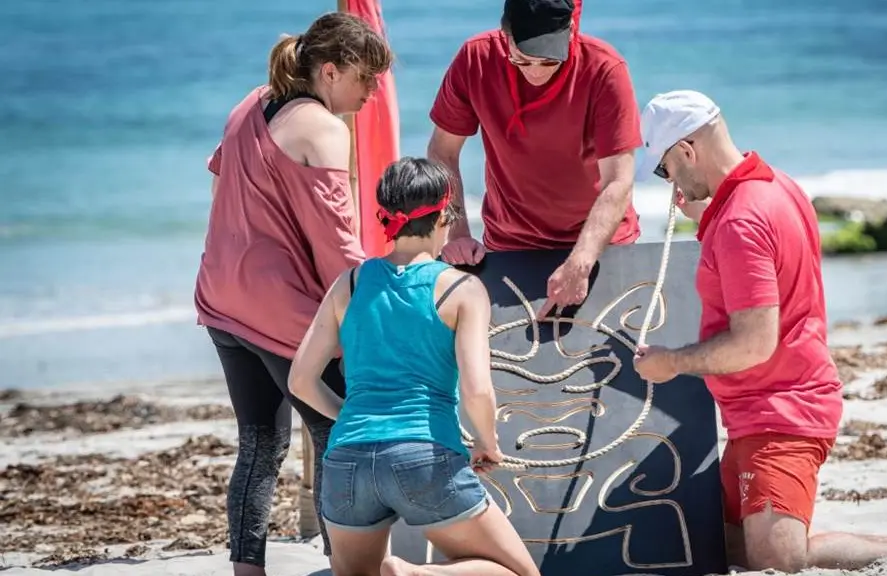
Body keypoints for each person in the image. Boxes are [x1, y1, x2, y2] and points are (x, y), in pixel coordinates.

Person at [630, 90, 887, 572]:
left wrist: (673, 362)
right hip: (760, 409)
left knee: (776, 560)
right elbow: (758, 259)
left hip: (783, 411)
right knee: (700, 544)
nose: (668, 182)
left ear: (686, 151)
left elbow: (753, 343)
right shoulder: (773, 186)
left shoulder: (739, 220)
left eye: (665, 169)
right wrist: (704, 216)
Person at [193, 12, 393, 575]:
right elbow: (338, 248)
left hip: (222, 300)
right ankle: (346, 566)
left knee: (259, 443)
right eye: (366, 79)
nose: (373, 92)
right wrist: (384, 312)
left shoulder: (251, 102)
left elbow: (217, 184)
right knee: (337, 435)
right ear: (331, 71)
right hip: (284, 319)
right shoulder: (326, 129)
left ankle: (247, 569)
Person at [288, 157, 541, 576]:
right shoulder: (461, 288)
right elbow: (478, 390)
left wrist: (350, 418)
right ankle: (417, 573)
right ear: (444, 216)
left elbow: (301, 379)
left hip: (346, 459)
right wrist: (488, 442)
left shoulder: (349, 283)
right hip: (423, 455)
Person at [427, 0, 642, 317]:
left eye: (548, 61)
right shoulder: (475, 58)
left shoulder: (605, 69)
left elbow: (619, 181)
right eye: (522, 61)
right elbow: (442, 152)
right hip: (509, 245)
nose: (536, 73)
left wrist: (581, 261)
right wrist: (457, 232)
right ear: (505, 34)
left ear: (570, 31)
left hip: (601, 247)